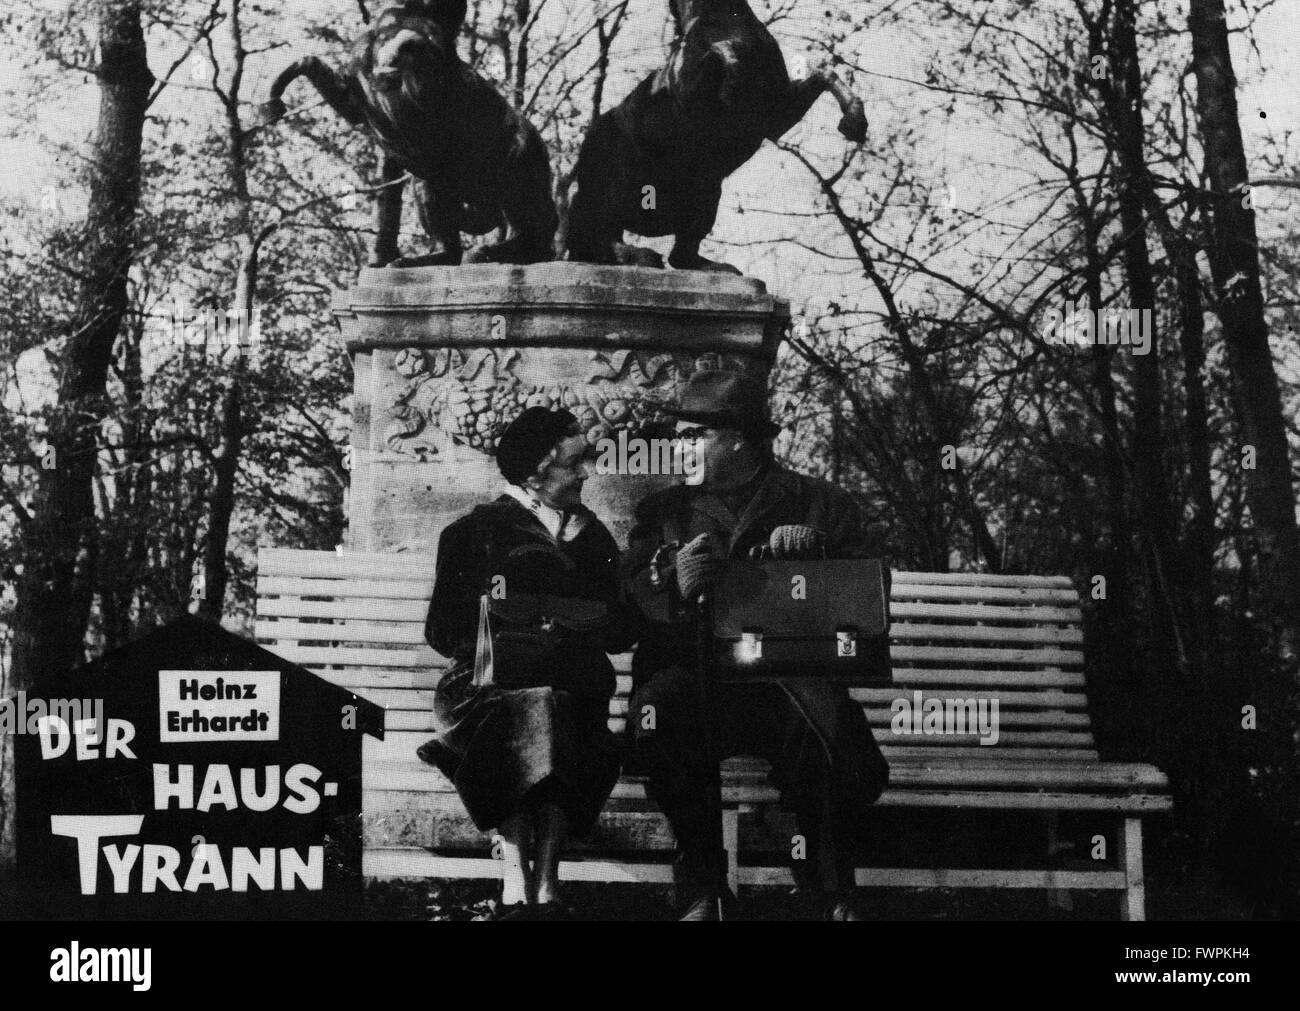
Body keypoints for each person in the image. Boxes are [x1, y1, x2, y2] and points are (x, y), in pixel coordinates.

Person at [625, 369, 891, 920]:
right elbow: (627, 608)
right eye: (677, 437)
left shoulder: (819, 504)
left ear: (740, 437)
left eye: (694, 436)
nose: (679, 449)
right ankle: (702, 890)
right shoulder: (661, 513)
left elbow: (870, 593)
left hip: (781, 680)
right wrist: (670, 580)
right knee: (660, 710)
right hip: (697, 677)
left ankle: (830, 892)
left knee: (819, 726)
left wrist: (817, 560)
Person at [418, 407, 632, 920]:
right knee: (534, 707)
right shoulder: (475, 533)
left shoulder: (593, 537)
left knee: (556, 706)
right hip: (481, 689)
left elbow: (622, 633)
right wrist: (513, 624)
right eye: (576, 462)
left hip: (571, 691)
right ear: (537, 470)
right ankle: (521, 878)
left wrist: (575, 615)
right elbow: (441, 632)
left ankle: (539, 885)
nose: (587, 472)